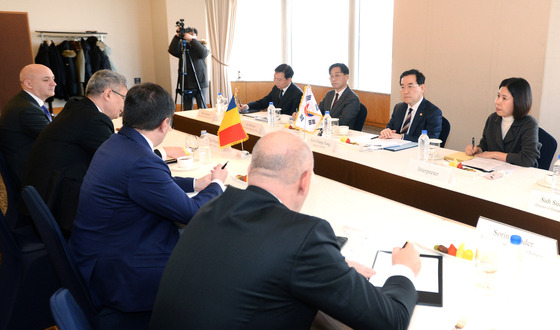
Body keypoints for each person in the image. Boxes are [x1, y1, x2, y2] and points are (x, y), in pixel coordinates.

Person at [150, 130, 421, 330]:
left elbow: (254, 255)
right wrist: (404, 269)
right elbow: (391, 321)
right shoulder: (304, 236)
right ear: (305, 181)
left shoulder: (210, 209)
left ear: (252, 170)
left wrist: (331, 264)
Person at [68, 82, 228, 324]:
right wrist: (217, 184)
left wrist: (196, 183)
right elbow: (192, 214)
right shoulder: (141, 160)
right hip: (121, 273)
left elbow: (152, 182)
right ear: (165, 123)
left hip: (100, 251)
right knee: (211, 258)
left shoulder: (118, 142)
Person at [22, 70, 127, 238]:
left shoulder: (77, 107)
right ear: (108, 94)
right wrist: (159, 152)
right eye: (123, 98)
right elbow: (120, 160)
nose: (123, 105)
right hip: (60, 208)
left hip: (43, 199)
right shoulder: (93, 119)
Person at [0, 64, 56, 189]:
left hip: (32, 169)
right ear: (28, 84)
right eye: (46, 80)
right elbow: (57, 139)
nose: (54, 83)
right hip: (32, 177)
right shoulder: (26, 109)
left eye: (53, 78)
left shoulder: (25, 103)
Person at [465, 77, 541, 167]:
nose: (497, 102)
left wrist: (494, 154)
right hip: (492, 172)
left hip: (518, 176)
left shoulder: (529, 123)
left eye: (504, 98)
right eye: (498, 96)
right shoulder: (493, 118)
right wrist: (477, 150)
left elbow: (528, 159)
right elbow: (485, 144)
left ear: (518, 101)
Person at [380, 69, 442, 142]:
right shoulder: (399, 108)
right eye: (403, 87)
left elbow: (430, 140)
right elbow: (389, 128)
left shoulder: (433, 112)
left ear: (422, 88)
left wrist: (402, 137)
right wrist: (386, 132)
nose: (405, 91)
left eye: (410, 86)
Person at [168, 25, 209, 110]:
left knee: (202, 108)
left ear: (196, 37)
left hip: (200, 82)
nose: (189, 36)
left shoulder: (201, 46)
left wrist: (193, 40)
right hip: (186, 83)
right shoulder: (183, 48)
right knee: (187, 110)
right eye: (188, 35)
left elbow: (203, 53)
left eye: (192, 35)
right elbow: (172, 50)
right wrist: (177, 37)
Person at [318, 63, 361, 127]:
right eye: (331, 76)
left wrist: (322, 121)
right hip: (326, 131)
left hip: (342, 135)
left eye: (337, 75)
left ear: (346, 77)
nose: (333, 79)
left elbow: (342, 122)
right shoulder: (329, 94)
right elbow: (318, 112)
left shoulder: (352, 98)